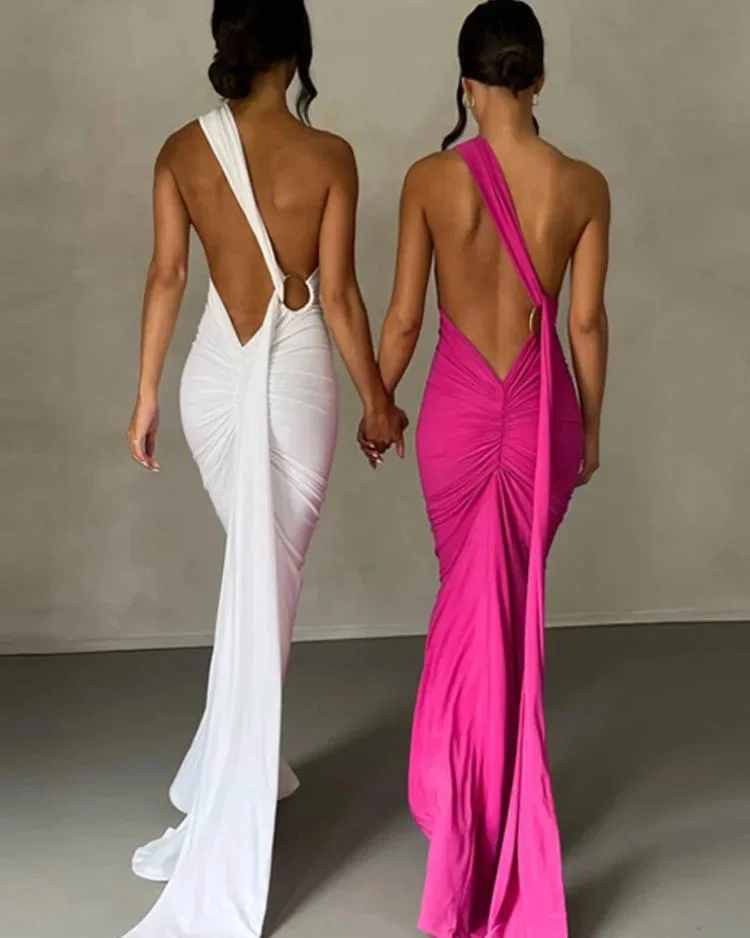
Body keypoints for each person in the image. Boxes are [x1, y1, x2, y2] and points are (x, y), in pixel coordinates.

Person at [124, 1, 405, 936]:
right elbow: (341, 296)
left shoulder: (180, 150)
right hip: (293, 377)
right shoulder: (330, 157)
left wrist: (146, 395)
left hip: (210, 377)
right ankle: (230, 795)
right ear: (297, 50)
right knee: (269, 583)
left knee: (261, 579)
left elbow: (168, 275)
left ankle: (232, 766)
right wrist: (377, 401)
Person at [360, 2, 610, 935]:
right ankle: (485, 813)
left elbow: (403, 320)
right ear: (537, 78)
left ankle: (466, 830)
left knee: (472, 613)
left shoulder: (431, 180)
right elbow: (585, 323)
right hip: (543, 418)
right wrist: (591, 429)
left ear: (466, 84)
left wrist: (381, 403)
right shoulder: (583, 186)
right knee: (501, 617)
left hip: (459, 418)